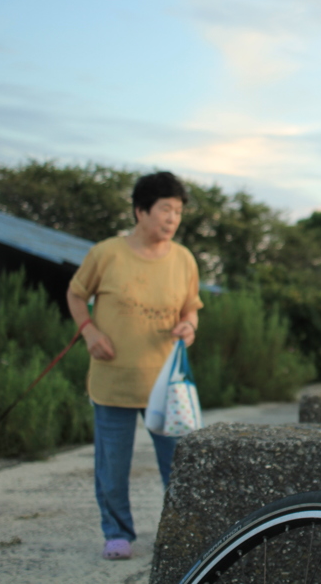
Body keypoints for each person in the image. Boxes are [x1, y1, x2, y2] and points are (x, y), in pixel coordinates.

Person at [65, 171, 203, 561]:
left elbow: (191, 307)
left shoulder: (184, 259)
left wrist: (189, 325)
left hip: (167, 388)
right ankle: (117, 532)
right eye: (166, 210)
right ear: (141, 211)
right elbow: (76, 295)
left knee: (179, 466)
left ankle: (180, 534)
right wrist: (89, 331)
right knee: (112, 465)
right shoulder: (106, 253)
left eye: (178, 212)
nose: (173, 219)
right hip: (113, 383)